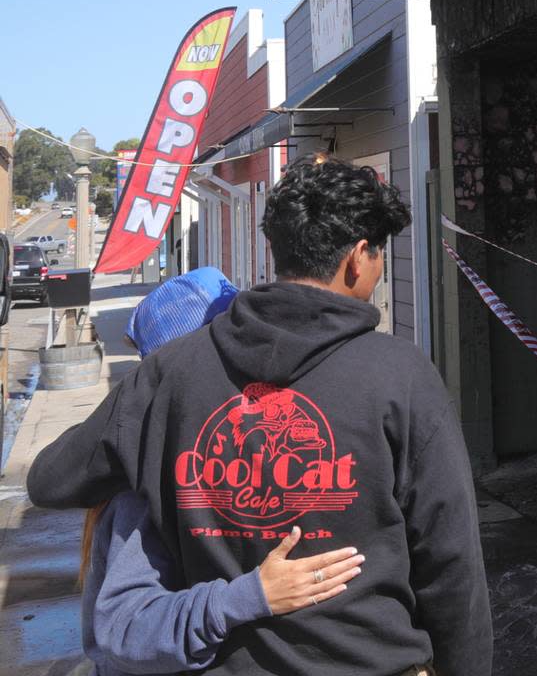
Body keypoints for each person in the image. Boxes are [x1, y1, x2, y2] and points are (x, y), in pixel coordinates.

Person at [29, 156, 492, 676]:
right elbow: (451, 562)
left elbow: (51, 480)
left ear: (277, 248)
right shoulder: (402, 376)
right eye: (380, 254)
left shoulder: (168, 374)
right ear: (359, 259)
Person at [80, 268, 366, 676]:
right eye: (234, 346)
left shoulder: (234, 449)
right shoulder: (148, 478)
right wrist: (251, 596)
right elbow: (124, 630)